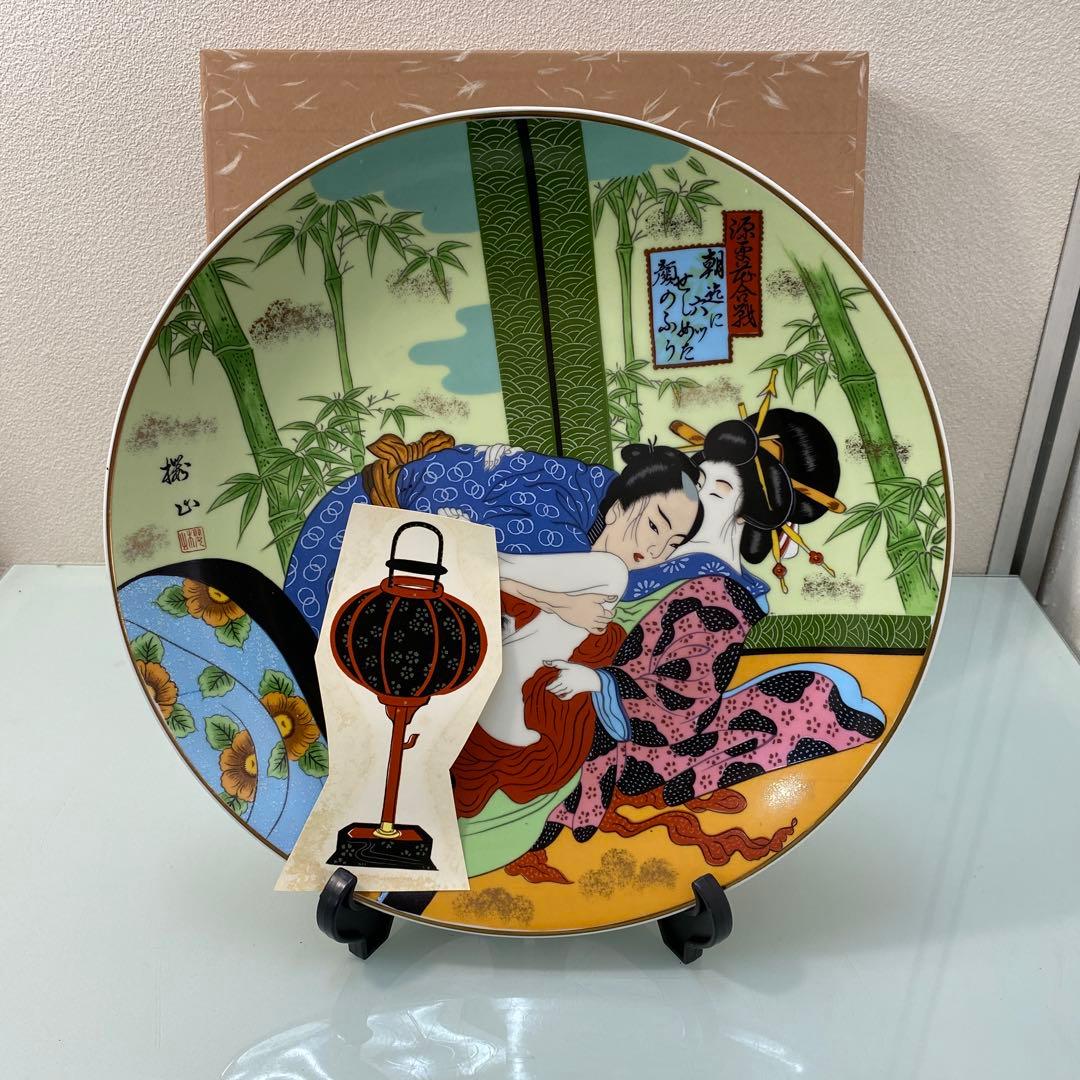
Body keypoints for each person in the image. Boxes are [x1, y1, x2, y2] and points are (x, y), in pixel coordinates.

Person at [450, 408, 885, 875]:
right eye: (700, 476)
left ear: (751, 514)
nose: (699, 491)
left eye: (719, 488)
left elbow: (680, 701)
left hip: (600, 725)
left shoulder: (718, 594)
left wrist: (599, 681)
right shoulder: (647, 538)